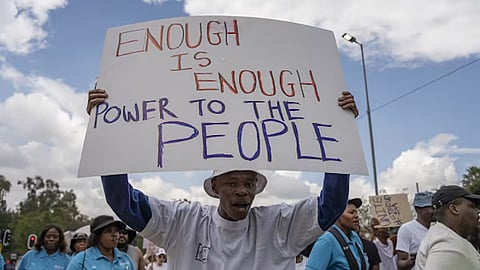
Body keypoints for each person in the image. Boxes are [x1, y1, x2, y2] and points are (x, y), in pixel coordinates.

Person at [86, 89, 359, 270]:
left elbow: (331, 205)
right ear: (215, 187)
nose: (242, 191)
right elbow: (124, 202)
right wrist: (107, 133)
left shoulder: (277, 225)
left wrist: (341, 132)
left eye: (249, 184)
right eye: (231, 183)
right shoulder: (183, 221)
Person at [415, 185, 480, 269]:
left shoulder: (447, 236)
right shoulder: (446, 245)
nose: (477, 212)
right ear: (454, 209)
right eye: (472, 206)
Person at [306, 198, 370, 270]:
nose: (356, 216)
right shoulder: (326, 241)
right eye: (351, 213)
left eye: (356, 212)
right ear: (338, 215)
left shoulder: (355, 238)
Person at [67, 215, 135, 270]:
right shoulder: (81, 260)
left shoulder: (126, 259)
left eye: (116, 231)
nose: (114, 234)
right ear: (97, 236)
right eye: (108, 231)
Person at [395, 191, 433, 270]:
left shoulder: (437, 228)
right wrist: (412, 261)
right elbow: (400, 263)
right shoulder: (406, 229)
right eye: (431, 207)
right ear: (419, 209)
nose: (435, 211)